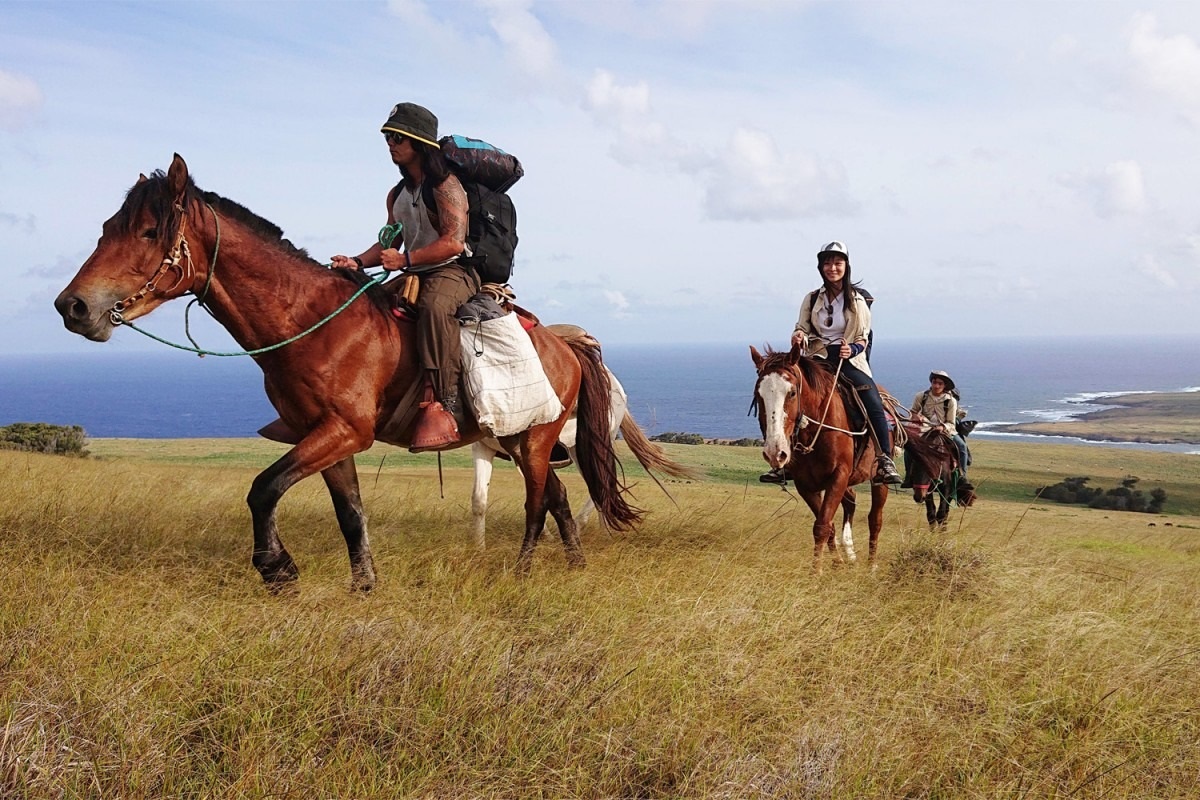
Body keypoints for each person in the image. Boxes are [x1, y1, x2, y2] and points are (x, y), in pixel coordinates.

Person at [331, 102, 478, 450]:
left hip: (453, 271)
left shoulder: (446, 186)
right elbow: (388, 241)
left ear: (420, 143)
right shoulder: (396, 194)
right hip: (411, 269)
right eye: (388, 137)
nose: (391, 144)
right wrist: (356, 262)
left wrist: (405, 259)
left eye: (398, 137)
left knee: (434, 310)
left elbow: (454, 243)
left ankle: (446, 402)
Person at [760, 241, 902, 486]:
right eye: (827, 263)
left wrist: (853, 348)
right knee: (786, 398)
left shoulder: (857, 301)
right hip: (815, 359)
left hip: (847, 361)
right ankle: (784, 461)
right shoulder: (812, 298)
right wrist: (799, 335)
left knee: (872, 400)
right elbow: (802, 326)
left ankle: (885, 458)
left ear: (846, 266)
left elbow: (863, 336)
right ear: (820, 267)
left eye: (838, 262)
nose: (832, 267)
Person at [903, 370, 970, 486]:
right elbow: (913, 412)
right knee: (909, 449)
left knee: (962, 447)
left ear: (944, 386)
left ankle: (962, 476)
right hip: (924, 430)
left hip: (945, 431)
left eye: (940, 383)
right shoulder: (921, 396)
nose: (936, 386)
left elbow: (951, 422)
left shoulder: (951, 401)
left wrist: (941, 427)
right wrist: (916, 417)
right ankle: (909, 475)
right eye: (934, 382)